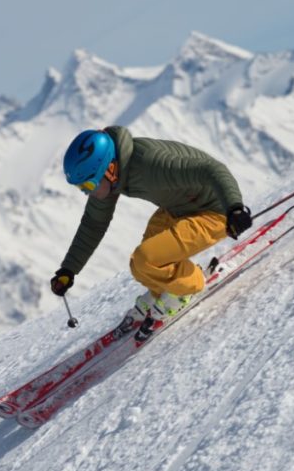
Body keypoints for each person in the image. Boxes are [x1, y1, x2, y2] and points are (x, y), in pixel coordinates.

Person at [50, 126, 253, 329]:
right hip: (177, 208)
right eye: (82, 188)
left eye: (88, 186)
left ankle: (188, 287)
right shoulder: (112, 178)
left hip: (215, 211)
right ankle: (162, 292)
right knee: (139, 266)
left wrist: (234, 208)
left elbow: (212, 169)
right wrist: (69, 269)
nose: (87, 193)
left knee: (146, 259)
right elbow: (93, 223)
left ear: (109, 169)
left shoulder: (151, 163)